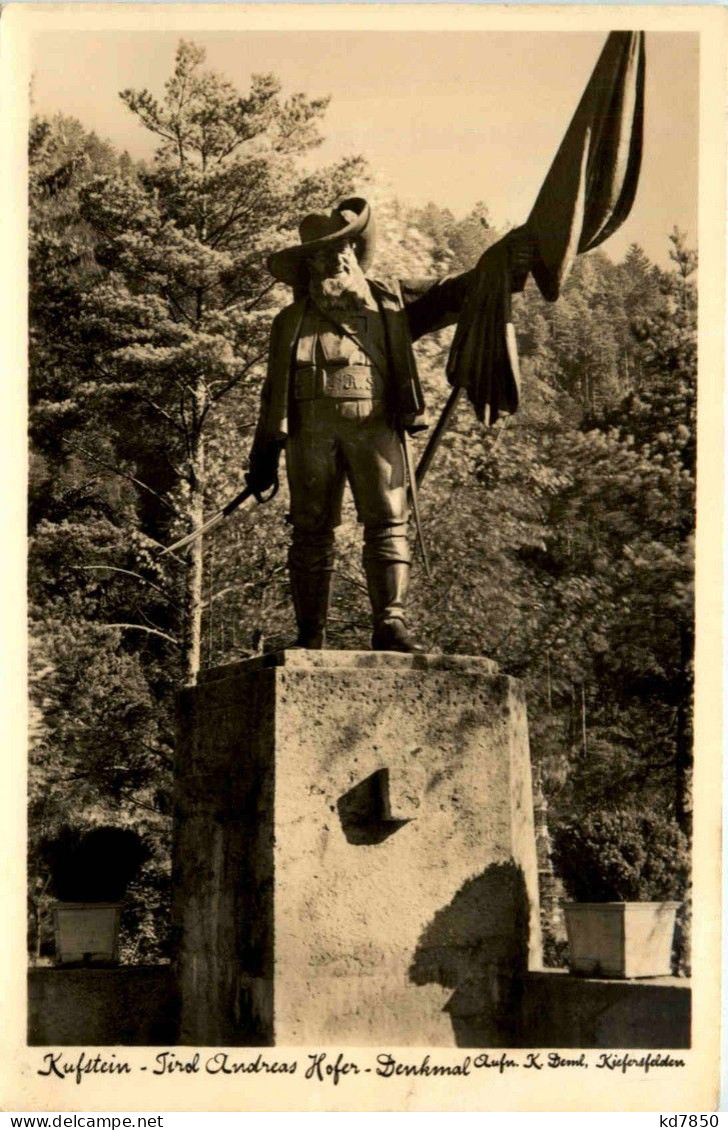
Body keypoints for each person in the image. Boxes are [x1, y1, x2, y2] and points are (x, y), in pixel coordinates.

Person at [247, 197, 529, 653]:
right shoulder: (289, 322)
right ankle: (310, 634)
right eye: (325, 253)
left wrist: (502, 261)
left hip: (376, 428)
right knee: (310, 530)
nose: (339, 259)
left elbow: (458, 292)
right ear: (309, 266)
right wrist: (261, 459)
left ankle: (391, 623)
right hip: (309, 435)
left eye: (346, 250)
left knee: (387, 523)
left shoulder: (391, 303)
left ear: (356, 255)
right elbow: (271, 396)